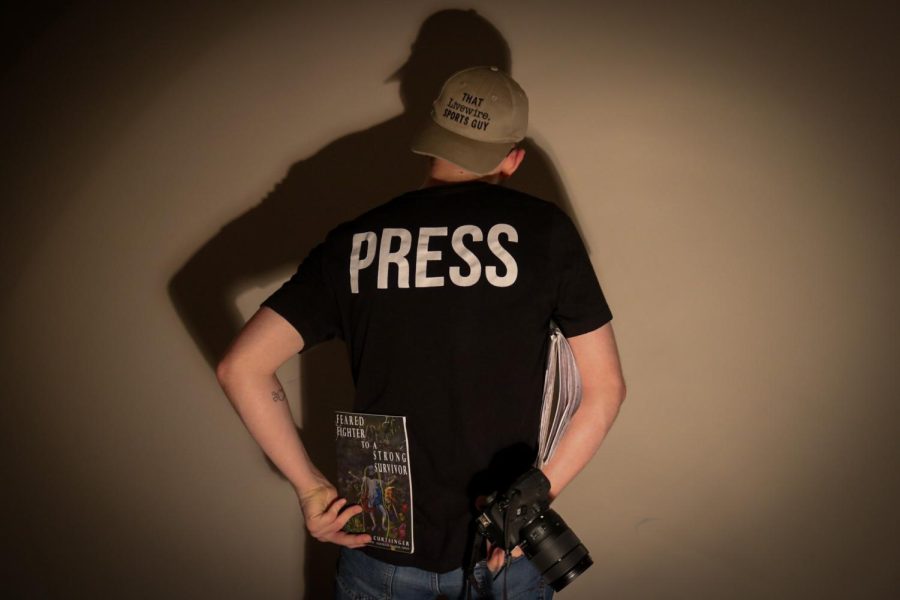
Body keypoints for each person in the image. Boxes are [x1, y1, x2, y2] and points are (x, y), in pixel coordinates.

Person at [216, 66, 626, 599]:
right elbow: (605, 389)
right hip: (504, 549)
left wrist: (311, 488)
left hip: (381, 547)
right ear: (512, 158)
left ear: (429, 142)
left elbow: (240, 368)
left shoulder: (353, 242)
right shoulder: (545, 232)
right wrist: (524, 509)